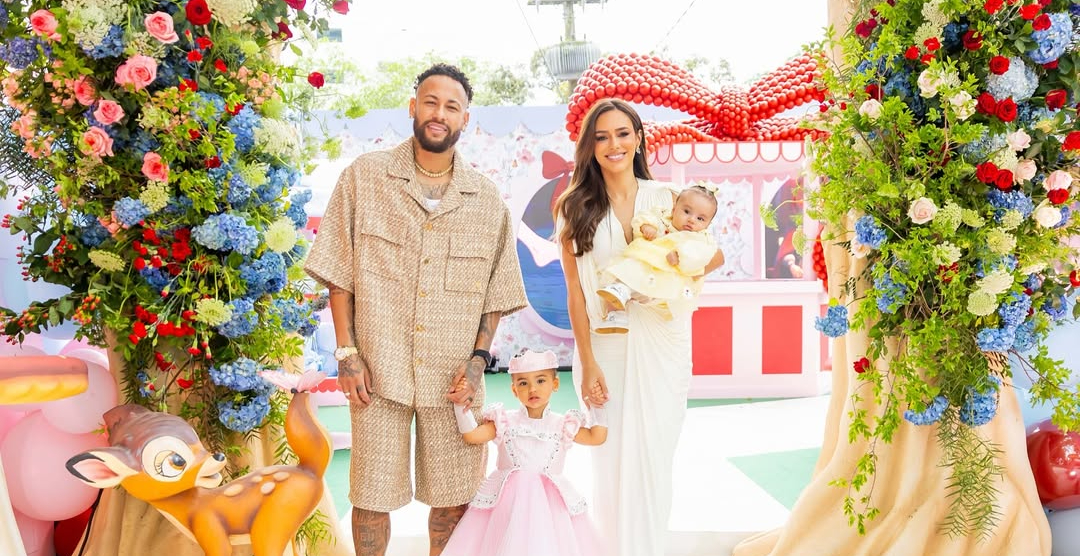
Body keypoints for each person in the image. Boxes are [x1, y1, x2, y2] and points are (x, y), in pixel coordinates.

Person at [304, 63, 528, 556]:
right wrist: (347, 353)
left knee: (454, 497)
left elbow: (497, 293)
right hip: (376, 372)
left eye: (452, 106)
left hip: (452, 377)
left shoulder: (487, 200)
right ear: (412, 107)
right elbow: (339, 272)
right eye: (430, 101)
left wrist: (477, 363)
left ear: (465, 120)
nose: (439, 113)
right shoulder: (365, 178)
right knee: (370, 494)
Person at [554, 98, 725, 556]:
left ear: (639, 138)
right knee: (611, 464)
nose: (614, 144)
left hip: (663, 343)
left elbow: (712, 254)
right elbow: (574, 293)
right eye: (602, 136)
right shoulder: (573, 206)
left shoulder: (667, 197)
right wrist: (586, 362)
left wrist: (672, 271)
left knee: (653, 460)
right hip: (603, 347)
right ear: (590, 146)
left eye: (623, 133)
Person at [442, 349, 609, 556]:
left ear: (555, 385)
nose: (532, 389)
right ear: (514, 390)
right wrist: (460, 406)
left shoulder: (562, 424)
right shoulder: (505, 421)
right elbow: (472, 435)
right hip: (508, 505)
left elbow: (596, 437)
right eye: (523, 383)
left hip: (549, 507)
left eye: (540, 381)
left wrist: (597, 406)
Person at [595, 183, 721, 333]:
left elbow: (701, 256)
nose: (692, 220)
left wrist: (681, 256)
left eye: (700, 218)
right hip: (647, 266)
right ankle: (618, 315)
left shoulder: (700, 239)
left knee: (641, 281)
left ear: (708, 224)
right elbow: (646, 216)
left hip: (669, 280)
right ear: (674, 209)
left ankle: (623, 292)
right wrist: (646, 226)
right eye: (687, 211)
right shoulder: (662, 217)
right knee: (627, 271)